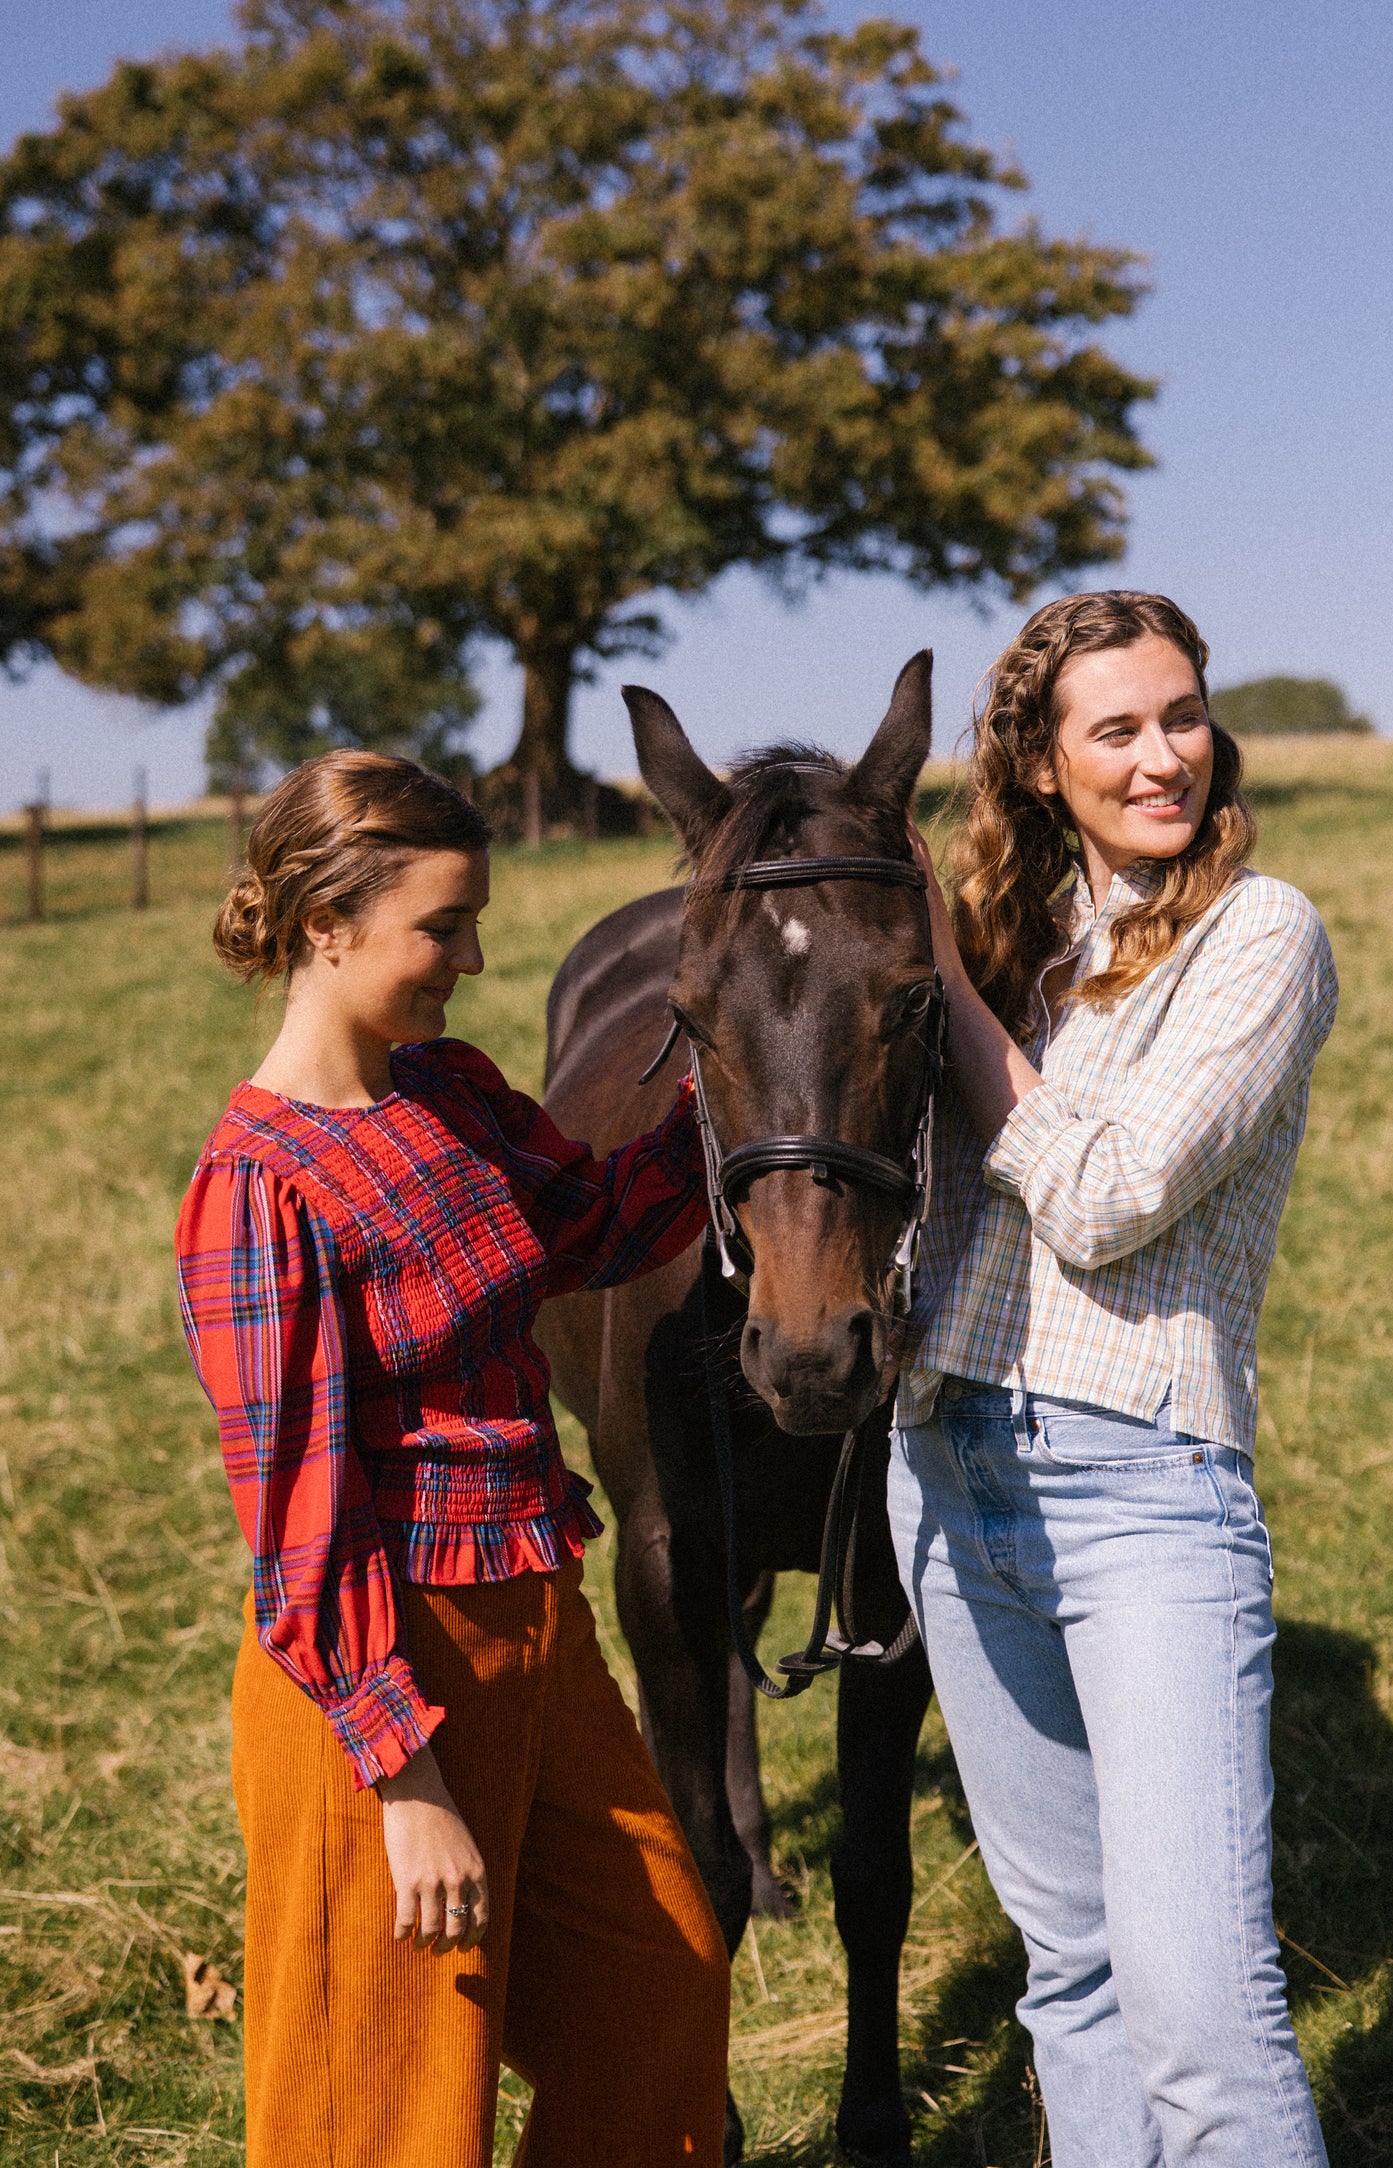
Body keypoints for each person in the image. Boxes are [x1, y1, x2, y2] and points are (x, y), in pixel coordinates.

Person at [175, 751, 730, 2168]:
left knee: (659, 1985)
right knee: (390, 2108)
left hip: (536, 1625)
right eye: (441, 927)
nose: (471, 958)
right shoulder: (258, 1185)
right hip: (383, 1671)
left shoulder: (450, 1089)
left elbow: (587, 1228)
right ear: (325, 924)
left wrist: (735, 1105)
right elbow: (300, 1518)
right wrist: (405, 1781)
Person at [891, 591, 1336, 2166]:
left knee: (1200, 2013)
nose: (1165, 758)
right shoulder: (1014, 950)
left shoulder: (1257, 934)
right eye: (1117, 729)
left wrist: (943, 1001)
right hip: (943, 1474)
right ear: (1034, 767)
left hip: (1142, 1486)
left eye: (1182, 716)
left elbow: (1106, 1194)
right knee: (1069, 1981)